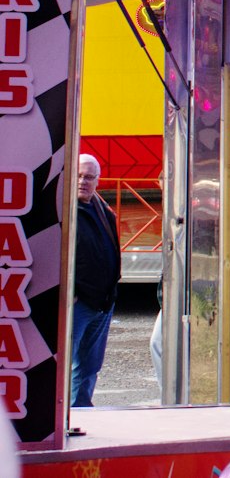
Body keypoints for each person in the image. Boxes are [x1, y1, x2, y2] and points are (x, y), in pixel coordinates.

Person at [70, 153, 119, 417]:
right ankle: (63, 418)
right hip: (78, 303)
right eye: (78, 175)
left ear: (98, 180)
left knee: (89, 367)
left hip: (102, 302)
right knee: (65, 364)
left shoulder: (101, 208)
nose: (83, 181)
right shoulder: (64, 210)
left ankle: (81, 413)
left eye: (89, 177)